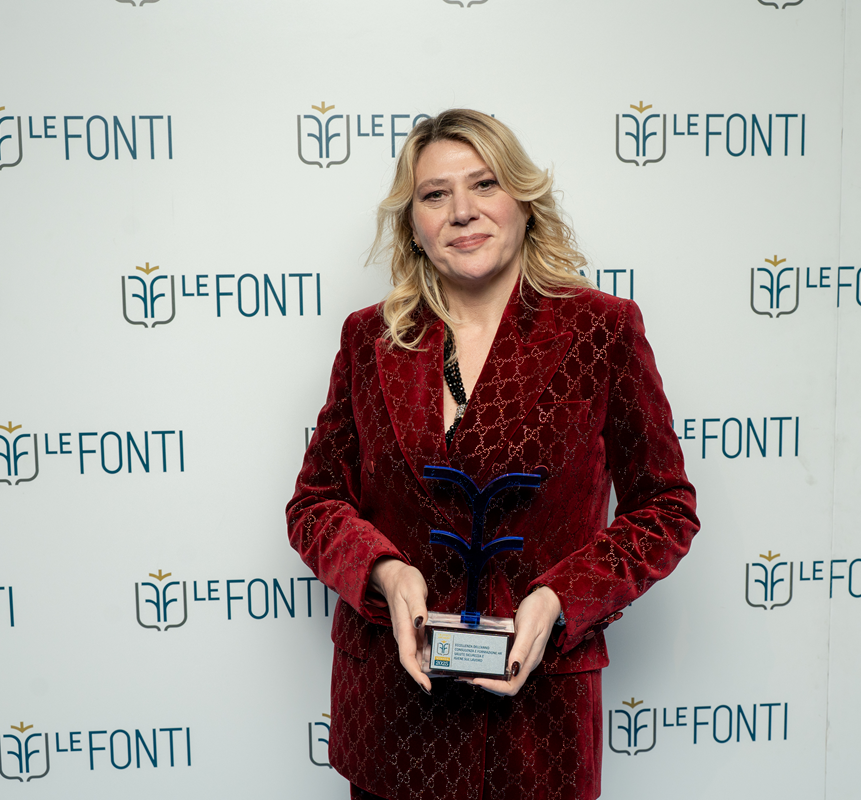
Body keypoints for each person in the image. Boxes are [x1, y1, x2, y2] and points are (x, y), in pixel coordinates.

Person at [287, 109, 698, 800]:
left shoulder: (602, 330)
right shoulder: (369, 339)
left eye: (484, 184)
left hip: (536, 728)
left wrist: (560, 599)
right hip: (394, 720)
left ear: (524, 201)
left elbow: (666, 510)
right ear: (413, 224)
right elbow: (315, 504)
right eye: (435, 194)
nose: (462, 211)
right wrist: (386, 573)